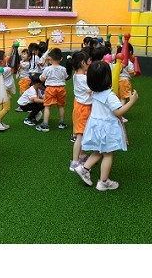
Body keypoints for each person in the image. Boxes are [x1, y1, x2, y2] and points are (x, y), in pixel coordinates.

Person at [74, 60, 138, 191]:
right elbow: (118, 112)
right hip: (106, 128)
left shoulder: (94, 92)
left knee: (99, 151)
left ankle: (84, 168)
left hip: (96, 126)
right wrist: (132, 101)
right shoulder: (109, 95)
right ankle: (103, 182)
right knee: (108, 154)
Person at [37, 48, 70, 132]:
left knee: (47, 106)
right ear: (61, 59)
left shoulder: (47, 69)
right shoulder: (63, 69)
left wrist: (40, 77)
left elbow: (42, 78)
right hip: (61, 88)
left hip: (50, 88)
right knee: (61, 106)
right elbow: (66, 77)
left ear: (50, 58)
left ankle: (45, 125)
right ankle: (62, 123)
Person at [69, 50, 91, 171]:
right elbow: (92, 90)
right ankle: (75, 162)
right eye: (89, 62)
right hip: (83, 108)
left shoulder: (76, 75)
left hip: (79, 106)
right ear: (83, 63)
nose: (90, 64)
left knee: (81, 134)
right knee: (80, 136)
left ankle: (81, 155)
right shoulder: (83, 78)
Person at [0, 49, 14, 131]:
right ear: (1, 61)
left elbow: (8, 55)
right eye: (4, 57)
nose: (6, 58)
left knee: (1, 107)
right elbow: (13, 67)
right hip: (4, 91)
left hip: (1, 90)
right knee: (6, 108)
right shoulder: (6, 70)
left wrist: (13, 48)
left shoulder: (0, 68)